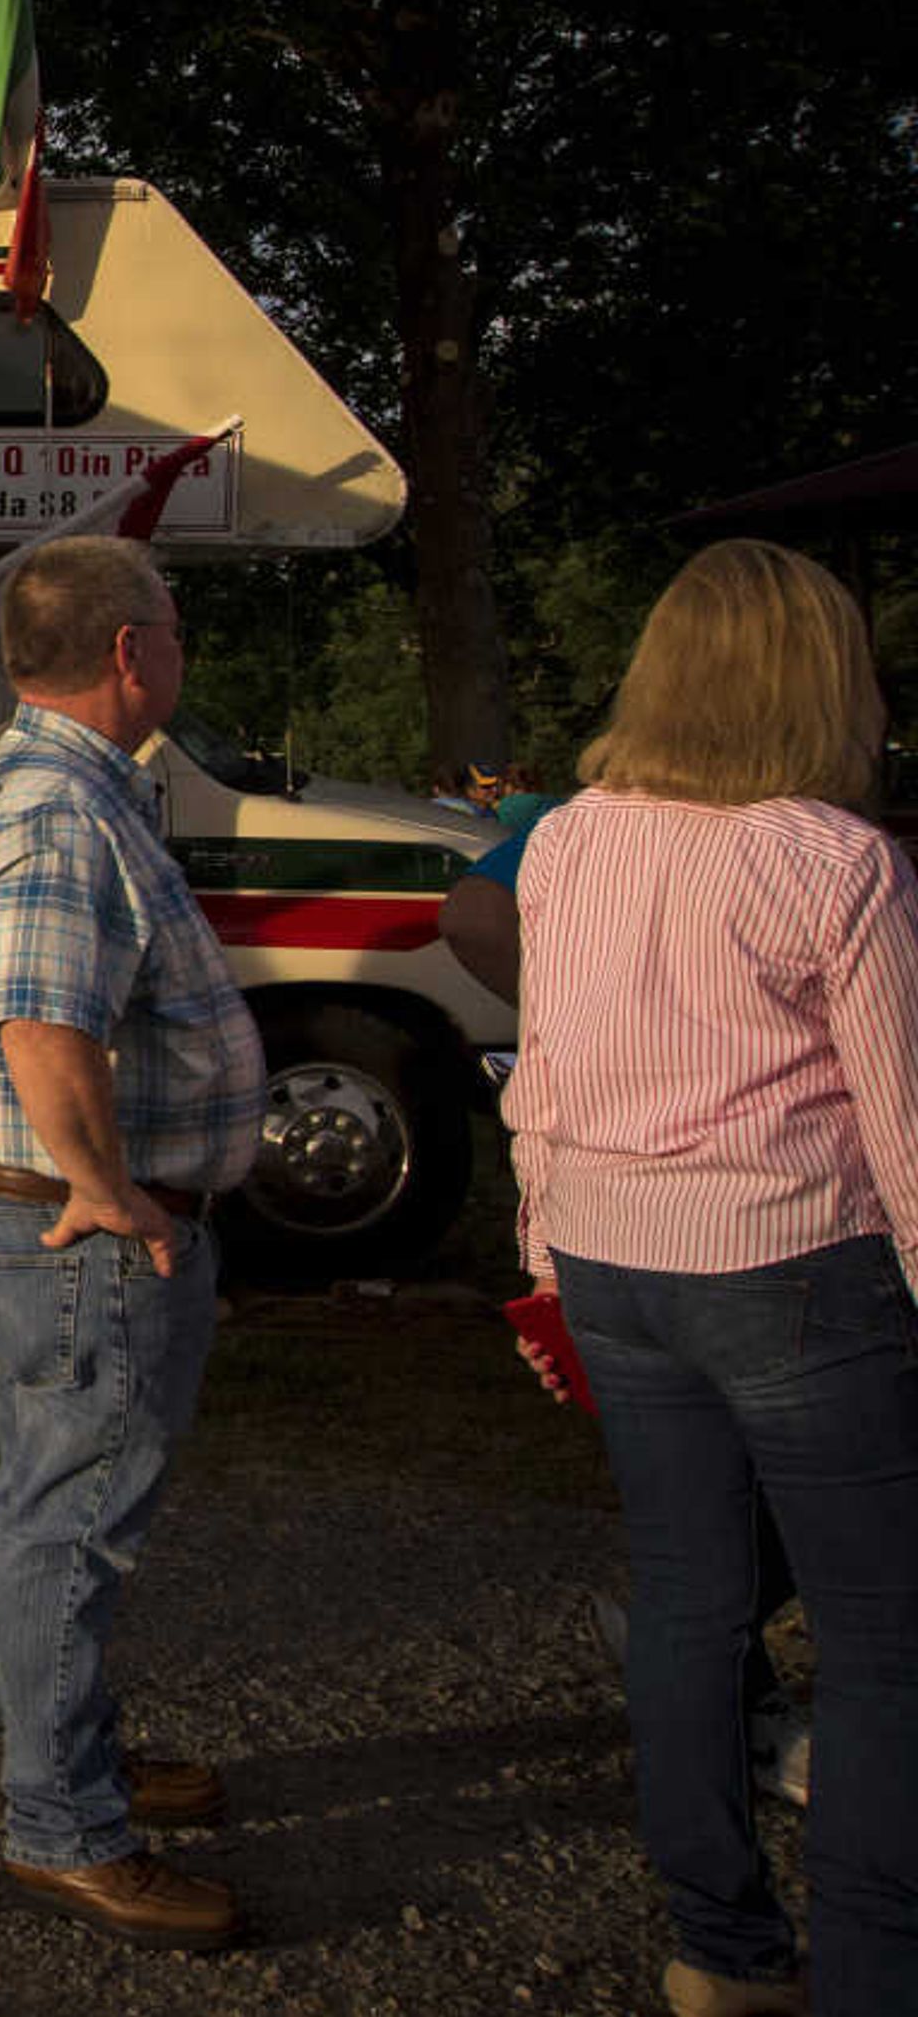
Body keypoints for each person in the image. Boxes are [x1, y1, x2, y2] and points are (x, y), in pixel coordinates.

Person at [503, 539, 918, 2017]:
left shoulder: (567, 836)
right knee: (881, 1640)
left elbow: (539, 1071)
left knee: (691, 1601)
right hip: (793, 1262)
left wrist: (544, 1252)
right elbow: (905, 1120)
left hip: (616, 1255)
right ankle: (873, 1967)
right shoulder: (832, 855)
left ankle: (720, 1948)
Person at [0, 536, 258, 1951]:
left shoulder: (55, 786)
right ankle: (61, 1825)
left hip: (47, 1216)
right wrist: (109, 1188)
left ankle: (79, 1757)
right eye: (172, 630)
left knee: (64, 1498)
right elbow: (43, 1020)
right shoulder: (59, 808)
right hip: (75, 1229)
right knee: (72, 1519)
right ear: (130, 650)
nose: (180, 651)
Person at [447, 810, 818, 1821]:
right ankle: (722, 1703)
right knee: (774, 1505)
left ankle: (715, 1902)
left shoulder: (605, 824)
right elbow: (478, 914)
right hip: (758, 1226)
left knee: (716, 1527)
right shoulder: (624, 820)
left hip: (677, 1229)